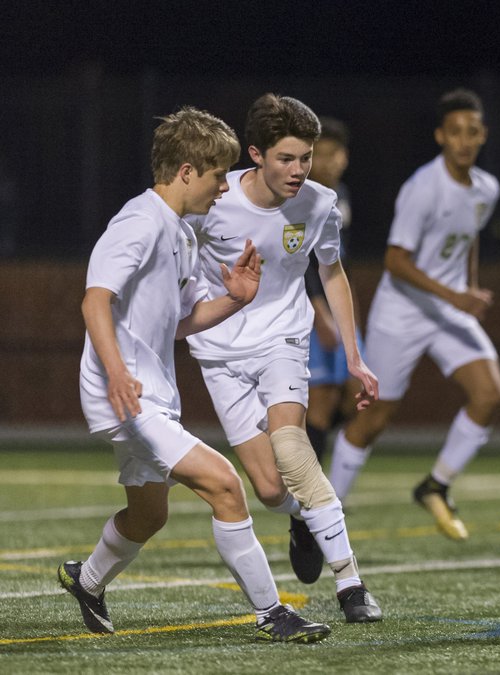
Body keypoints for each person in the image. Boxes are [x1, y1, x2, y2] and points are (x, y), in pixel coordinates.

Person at [62, 107, 330, 643]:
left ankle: (86, 580)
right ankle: (272, 614)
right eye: (217, 176)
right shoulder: (139, 222)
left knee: (149, 516)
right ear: (186, 171)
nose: (224, 189)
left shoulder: (182, 234)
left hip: (149, 394)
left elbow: (181, 323)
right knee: (225, 485)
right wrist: (116, 374)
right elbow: (94, 300)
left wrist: (235, 299)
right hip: (126, 397)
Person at [185, 94, 382, 622]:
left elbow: (332, 272)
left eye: (306, 158)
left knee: (293, 448)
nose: (299, 171)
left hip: (284, 341)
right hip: (220, 355)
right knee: (272, 490)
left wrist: (356, 356)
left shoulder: (319, 203)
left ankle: (351, 584)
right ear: (255, 155)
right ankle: (301, 517)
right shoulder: (213, 201)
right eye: (286, 159)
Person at [330, 88, 500, 541]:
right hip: (402, 313)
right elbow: (395, 261)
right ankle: (326, 512)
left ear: (482, 135)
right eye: (455, 132)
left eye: (472, 132)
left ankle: (436, 485)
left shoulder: (487, 188)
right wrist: (454, 296)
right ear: (440, 137)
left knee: (489, 394)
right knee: (373, 420)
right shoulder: (423, 188)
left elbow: (468, 237)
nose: (464, 141)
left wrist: (468, 288)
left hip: (448, 311)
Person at [301, 118, 365, 478]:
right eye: (319, 154)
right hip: (314, 310)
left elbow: (341, 259)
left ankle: (320, 484)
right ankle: (309, 489)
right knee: (321, 399)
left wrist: (351, 312)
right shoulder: (303, 197)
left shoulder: (341, 194)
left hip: (337, 308)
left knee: (357, 397)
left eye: (333, 153)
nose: (327, 162)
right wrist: (320, 313)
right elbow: (304, 261)